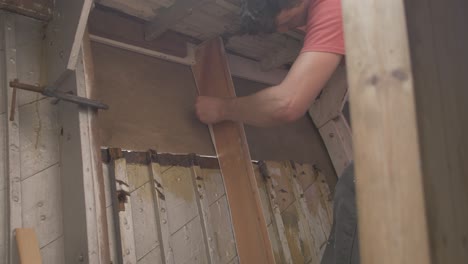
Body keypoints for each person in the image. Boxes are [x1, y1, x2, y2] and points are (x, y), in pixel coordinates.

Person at [195, 0, 359, 263]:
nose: (284, 31)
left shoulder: (334, 6)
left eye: (284, 22)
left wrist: (221, 110)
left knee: (356, 192)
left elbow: (287, 103)